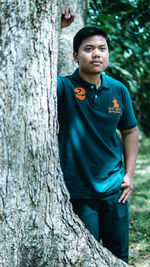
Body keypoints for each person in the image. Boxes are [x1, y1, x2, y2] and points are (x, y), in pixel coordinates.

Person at [57, 7, 138, 264]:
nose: (96, 54)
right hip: (79, 191)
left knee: (119, 257)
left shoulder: (118, 89)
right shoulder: (62, 87)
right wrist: (56, 28)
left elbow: (130, 131)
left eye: (102, 48)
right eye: (88, 48)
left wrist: (129, 174)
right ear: (75, 55)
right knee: (85, 257)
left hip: (115, 189)